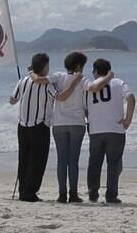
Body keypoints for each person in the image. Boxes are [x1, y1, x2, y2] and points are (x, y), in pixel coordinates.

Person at [85, 58, 136, 204]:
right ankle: (111, 195)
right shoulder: (118, 82)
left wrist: (92, 117)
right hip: (115, 129)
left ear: (95, 71)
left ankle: (93, 193)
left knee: (94, 162)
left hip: (96, 129)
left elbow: (85, 109)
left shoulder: (89, 85)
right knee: (113, 163)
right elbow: (131, 98)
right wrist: (128, 119)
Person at [9, 53, 56, 202]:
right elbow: (59, 97)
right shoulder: (47, 84)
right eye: (47, 66)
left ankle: (23, 190)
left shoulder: (23, 80)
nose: (49, 68)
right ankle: (30, 191)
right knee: (38, 160)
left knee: (23, 159)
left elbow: (12, 99)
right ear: (43, 67)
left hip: (22, 125)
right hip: (39, 125)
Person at [48, 52, 89, 204]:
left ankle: (61, 194)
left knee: (61, 160)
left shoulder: (58, 77)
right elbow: (86, 105)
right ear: (78, 66)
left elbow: (45, 81)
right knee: (73, 161)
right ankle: (73, 194)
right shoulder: (83, 80)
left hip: (59, 124)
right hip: (77, 123)